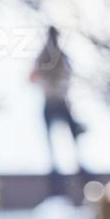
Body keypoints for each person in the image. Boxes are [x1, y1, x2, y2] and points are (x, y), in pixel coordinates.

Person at [29, 26, 85, 189]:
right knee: (53, 146)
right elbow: (32, 78)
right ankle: (57, 181)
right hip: (53, 101)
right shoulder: (44, 56)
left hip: (60, 101)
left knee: (72, 142)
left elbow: (69, 76)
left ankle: (78, 175)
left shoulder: (60, 56)